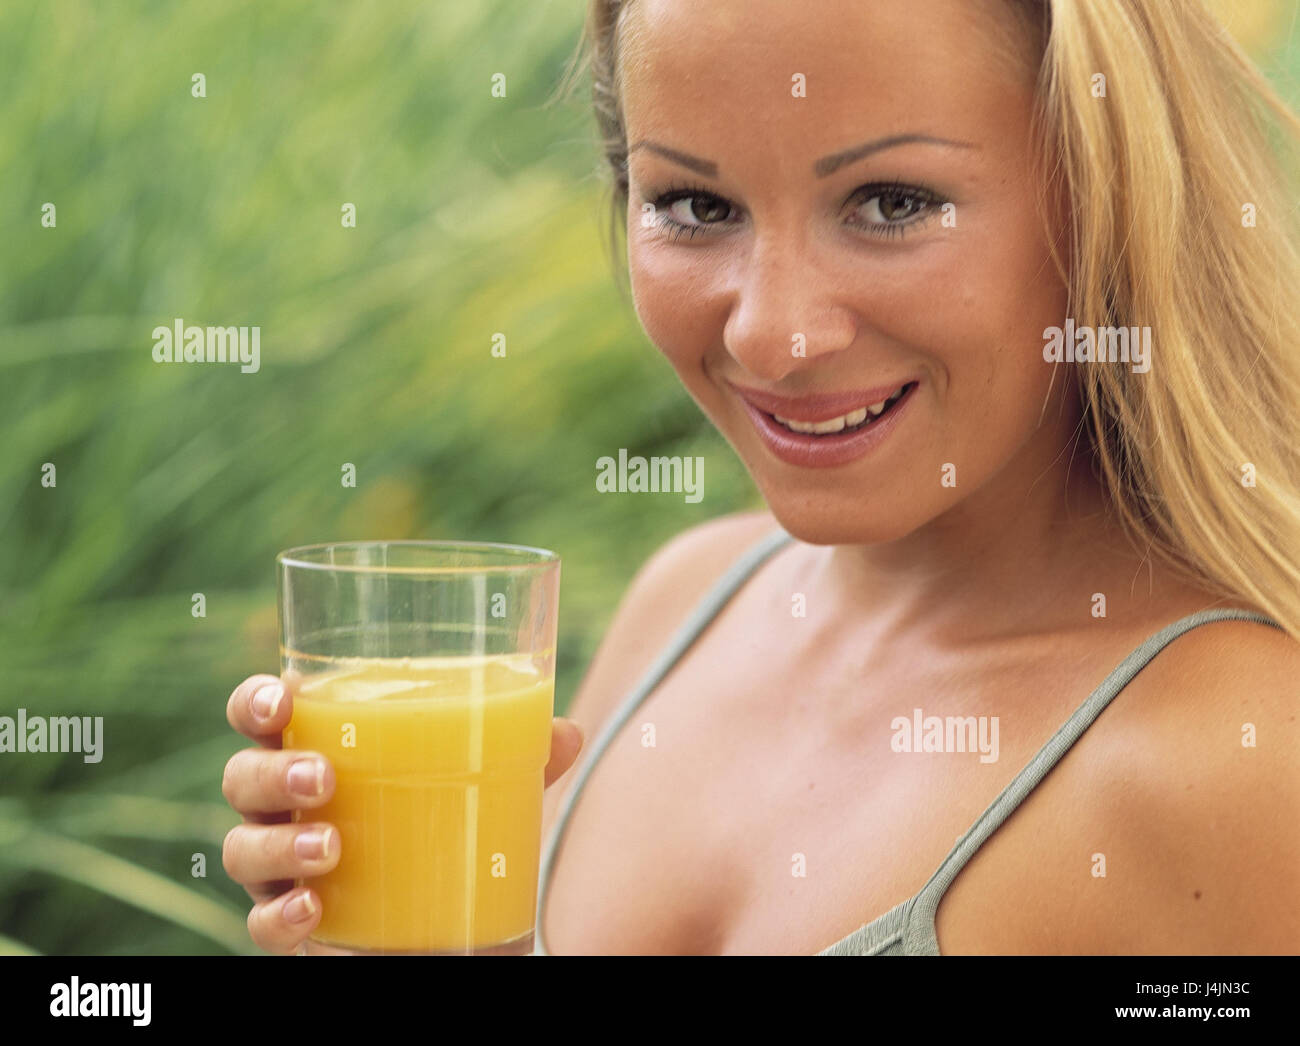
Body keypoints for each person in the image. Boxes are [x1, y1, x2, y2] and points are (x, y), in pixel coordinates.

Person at [223, 0, 1300, 955]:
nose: (775, 333)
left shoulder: (1236, 755)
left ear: (1110, 195)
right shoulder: (685, 602)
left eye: (891, 203)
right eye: (696, 206)